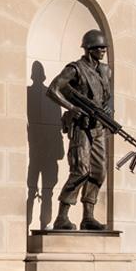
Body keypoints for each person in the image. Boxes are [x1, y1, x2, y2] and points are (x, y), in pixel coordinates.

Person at [47, 29, 112, 231]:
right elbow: (53, 89)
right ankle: (62, 216)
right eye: (99, 48)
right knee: (80, 171)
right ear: (89, 49)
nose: (102, 51)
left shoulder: (105, 71)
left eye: (104, 48)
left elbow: (106, 97)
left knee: (99, 172)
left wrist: (109, 108)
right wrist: (72, 108)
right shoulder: (75, 69)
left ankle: (88, 217)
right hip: (81, 126)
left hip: (99, 127)